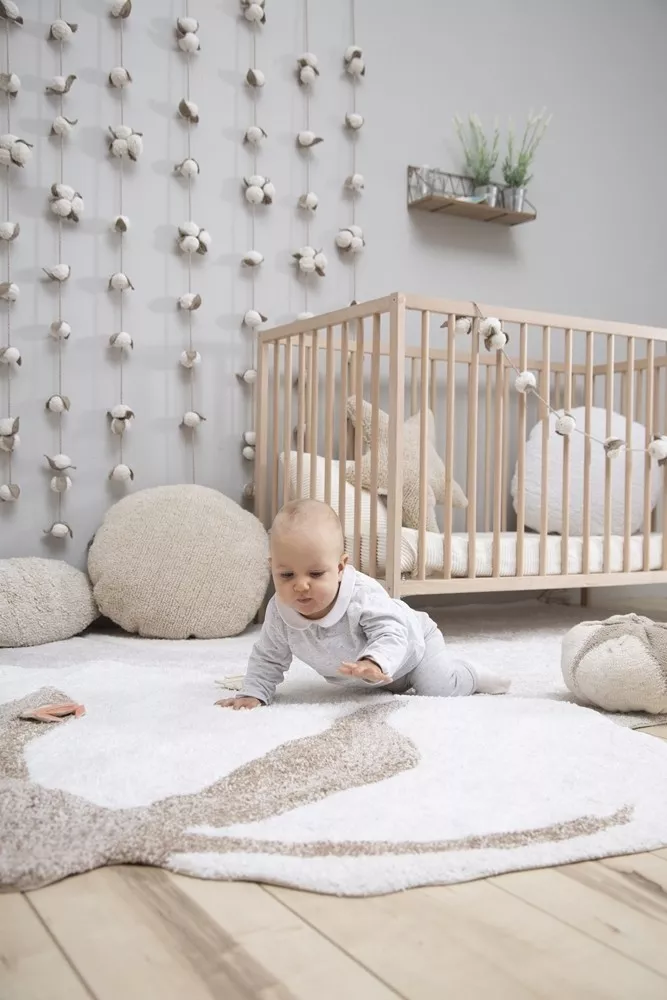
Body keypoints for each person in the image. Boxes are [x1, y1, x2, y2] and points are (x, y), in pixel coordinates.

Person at [217, 498, 510, 710]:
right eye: (286, 575)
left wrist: (374, 661)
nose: (301, 585)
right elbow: (269, 656)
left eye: (316, 574)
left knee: (439, 689)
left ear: (340, 568)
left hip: (414, 646)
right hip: (374, 677)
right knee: (384, 689)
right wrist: (253, 692)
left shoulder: (361, 596)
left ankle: (470, 674)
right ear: (272, 568)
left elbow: (391, 633)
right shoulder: (280, 612)